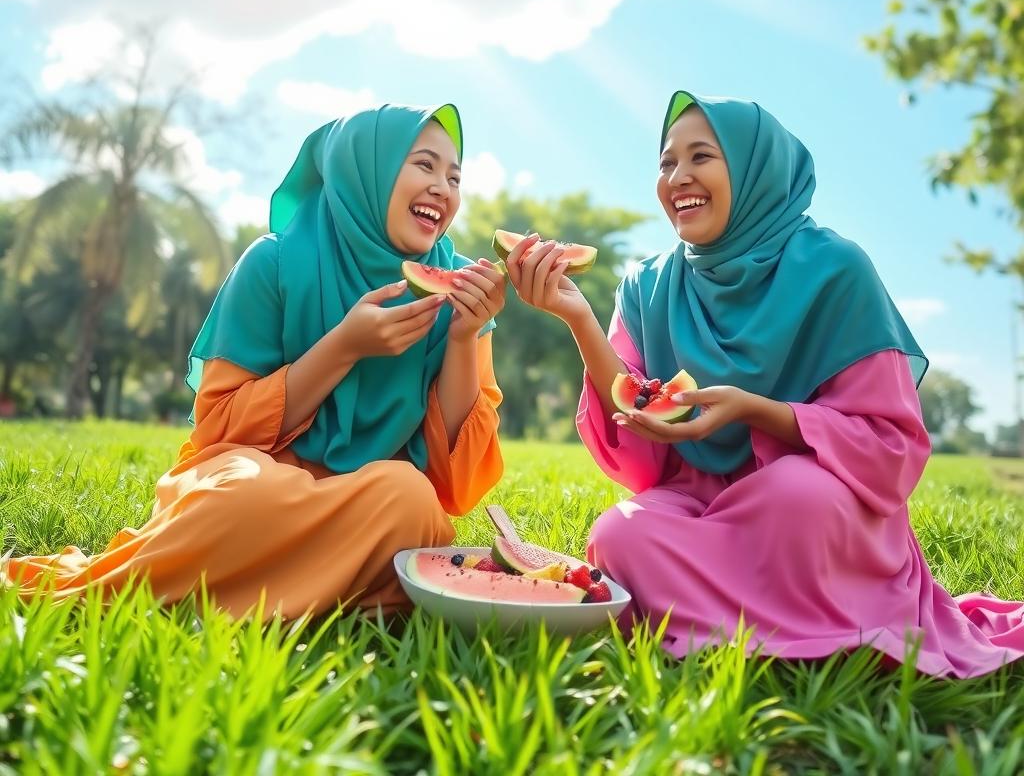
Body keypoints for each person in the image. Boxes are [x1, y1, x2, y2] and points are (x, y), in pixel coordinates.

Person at [505, 89, 1024, 678]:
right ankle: (803, 632)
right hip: (698, 502)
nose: (678, 176)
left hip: (810, 503)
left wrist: (756, 411)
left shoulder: (835, 268)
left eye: (702, 156)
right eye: (666, 161)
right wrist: (579, 319)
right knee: (618, 536)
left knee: (796, 499)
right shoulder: (646, 285)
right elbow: (642, 453)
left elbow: (890, 445)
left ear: (756, 169)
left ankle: (722, 626)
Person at [4, 103, 505, 619]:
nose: (443, 188)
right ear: (365, 169)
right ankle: (331, 594)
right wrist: (343, 347)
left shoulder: (462, 287)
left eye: (454, 176)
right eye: (423, 165)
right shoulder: (273, 260)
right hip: (260, 485)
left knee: (412, 500)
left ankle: (236, 587)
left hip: (371, 502)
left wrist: (466, 335)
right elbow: (220, 431)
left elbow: (452, 482)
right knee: (242, 493)